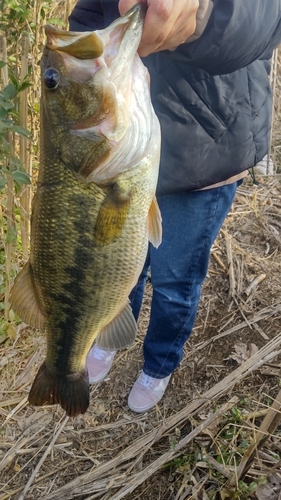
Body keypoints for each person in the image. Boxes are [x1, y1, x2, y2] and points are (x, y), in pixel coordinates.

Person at [69, 0, 281, 413]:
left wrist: (204, 14)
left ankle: (159, 363)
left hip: (205, 158)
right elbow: (87, 18)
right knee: (119, 266)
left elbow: (265, 18)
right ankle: (107, 335)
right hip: (123, 160)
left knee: (175, 283)